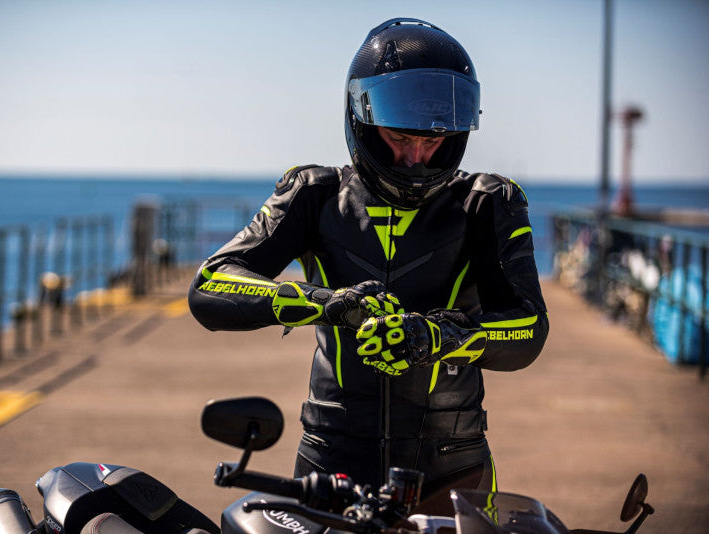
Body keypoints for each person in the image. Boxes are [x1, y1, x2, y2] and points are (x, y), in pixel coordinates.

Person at [188, 18, 548, 511]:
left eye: (433, 142)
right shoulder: (312, 192)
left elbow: (529, 329)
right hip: (329, 463)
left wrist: (436, 337)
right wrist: (328, 304)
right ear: (361, 119)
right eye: (400, 138)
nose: (416, 158)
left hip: (451, 469)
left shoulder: (489, 202)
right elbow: (210, 284)